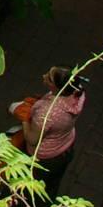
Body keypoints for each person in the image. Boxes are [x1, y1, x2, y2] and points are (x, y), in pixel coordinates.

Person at [19, 66, 86, 198]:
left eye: (49, 78)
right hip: (64, 146)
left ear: (57, 87)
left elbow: (32, 139)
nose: (44, 76)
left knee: (26, 190)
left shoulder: (47, 113)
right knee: (50, 187)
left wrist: (24, 118)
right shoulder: (77, 92)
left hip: (43, 157)